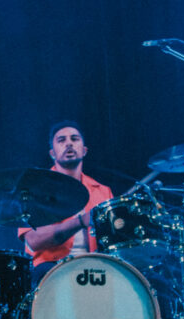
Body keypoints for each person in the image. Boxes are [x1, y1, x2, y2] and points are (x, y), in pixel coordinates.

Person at [18, 120, 113, 283]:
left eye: (74, 139)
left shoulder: (103, 191)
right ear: (52, 153)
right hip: (52, 268)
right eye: (61, 140)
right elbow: (33, 241)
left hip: (97, 267)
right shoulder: (35, 190)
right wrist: (81, 222)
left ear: (84, 150)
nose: (69, 143)